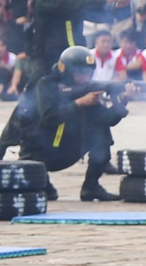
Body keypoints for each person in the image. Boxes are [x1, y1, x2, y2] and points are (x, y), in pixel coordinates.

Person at [19, 45, 127, 201]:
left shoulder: (85, 90)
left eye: (89, 74)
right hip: (41, 152)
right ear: (67, 71)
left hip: (69, 148)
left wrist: (124, 100)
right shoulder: (46, 85)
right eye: (81, 74)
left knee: (101, 132)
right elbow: (49, 117)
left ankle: (91, 187)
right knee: (49, 195)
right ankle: (42, 182)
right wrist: (79, 103)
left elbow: (107, 119)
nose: (86, 78)